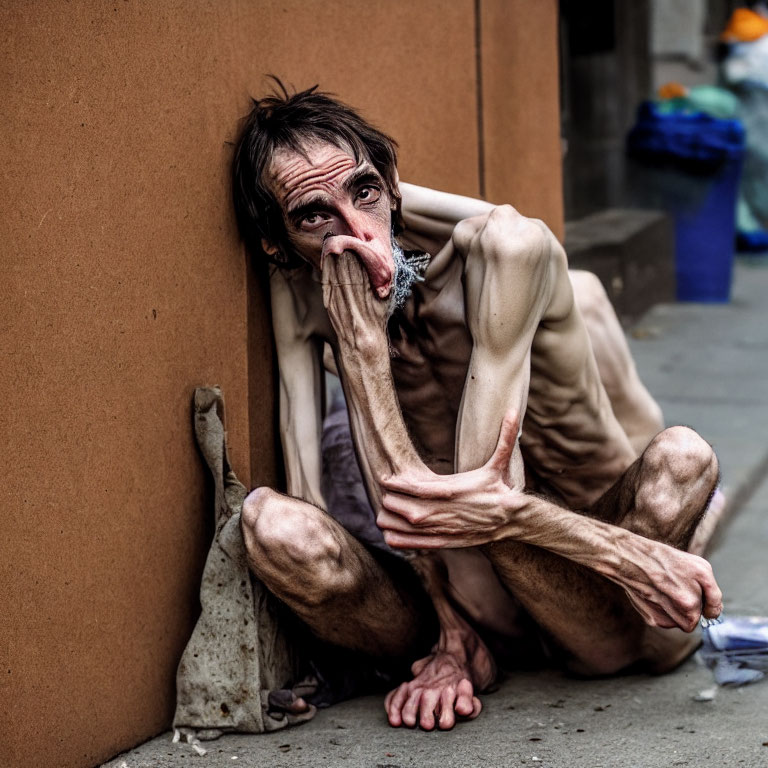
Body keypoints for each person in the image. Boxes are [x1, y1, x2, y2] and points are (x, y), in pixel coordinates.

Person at [230, 82, 724, 731]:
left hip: (589, 597)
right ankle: (458, 646)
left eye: (365, 191)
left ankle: (503, 629)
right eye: (314, 215)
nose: (357, 234)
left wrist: (626, 554)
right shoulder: (300, 288)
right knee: (273, 525)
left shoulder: (502, 250)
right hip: (468, 572)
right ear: (277, 244)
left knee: (683, 456)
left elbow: (479, 500)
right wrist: (443, 626)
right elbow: (321, 507)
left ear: (394, 185)